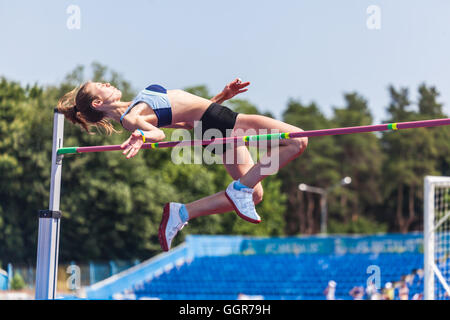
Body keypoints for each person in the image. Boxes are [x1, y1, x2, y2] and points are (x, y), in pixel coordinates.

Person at [57, 79, 308, 251]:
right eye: (100, 86)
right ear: (97, 103)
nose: (107, 84)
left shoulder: (135, 108)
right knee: (297, 141)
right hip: (222, 123)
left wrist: (222, 96)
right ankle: (239, 189)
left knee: (256, 193)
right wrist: (141, 135)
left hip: (210, 127)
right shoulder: (131, 118)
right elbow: (157, 135)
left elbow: (189, 118)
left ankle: (182, 212)